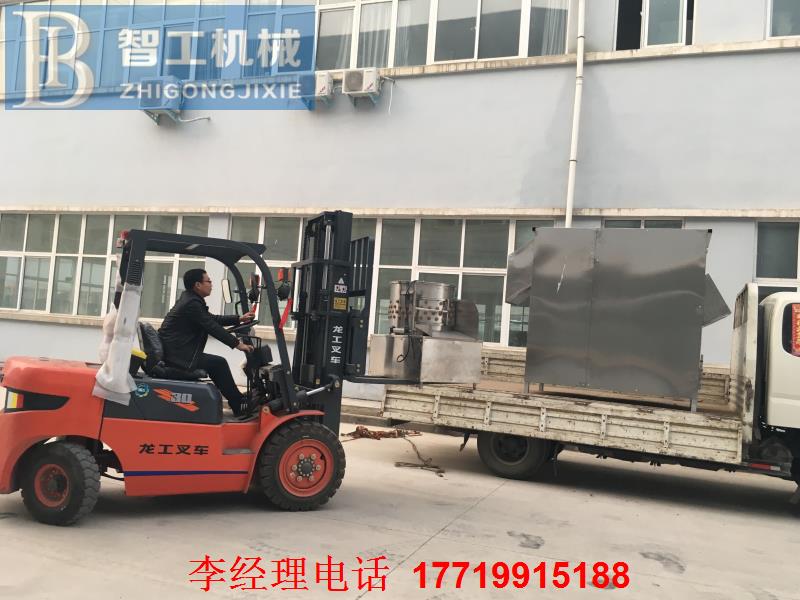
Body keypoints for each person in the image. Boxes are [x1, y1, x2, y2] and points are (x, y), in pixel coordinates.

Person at [159, 268, 256, 416]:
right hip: (179, 355)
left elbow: (212, 319)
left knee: (216, 363)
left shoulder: (192, 300)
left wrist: (238, 319)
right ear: (198, 285)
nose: (211, 284)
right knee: (219, 363)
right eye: (208, 281)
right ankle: (238, 404)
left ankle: (238, 401)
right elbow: (211, 326)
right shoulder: (192, 303)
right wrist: (238, 344)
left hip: (178, 351)